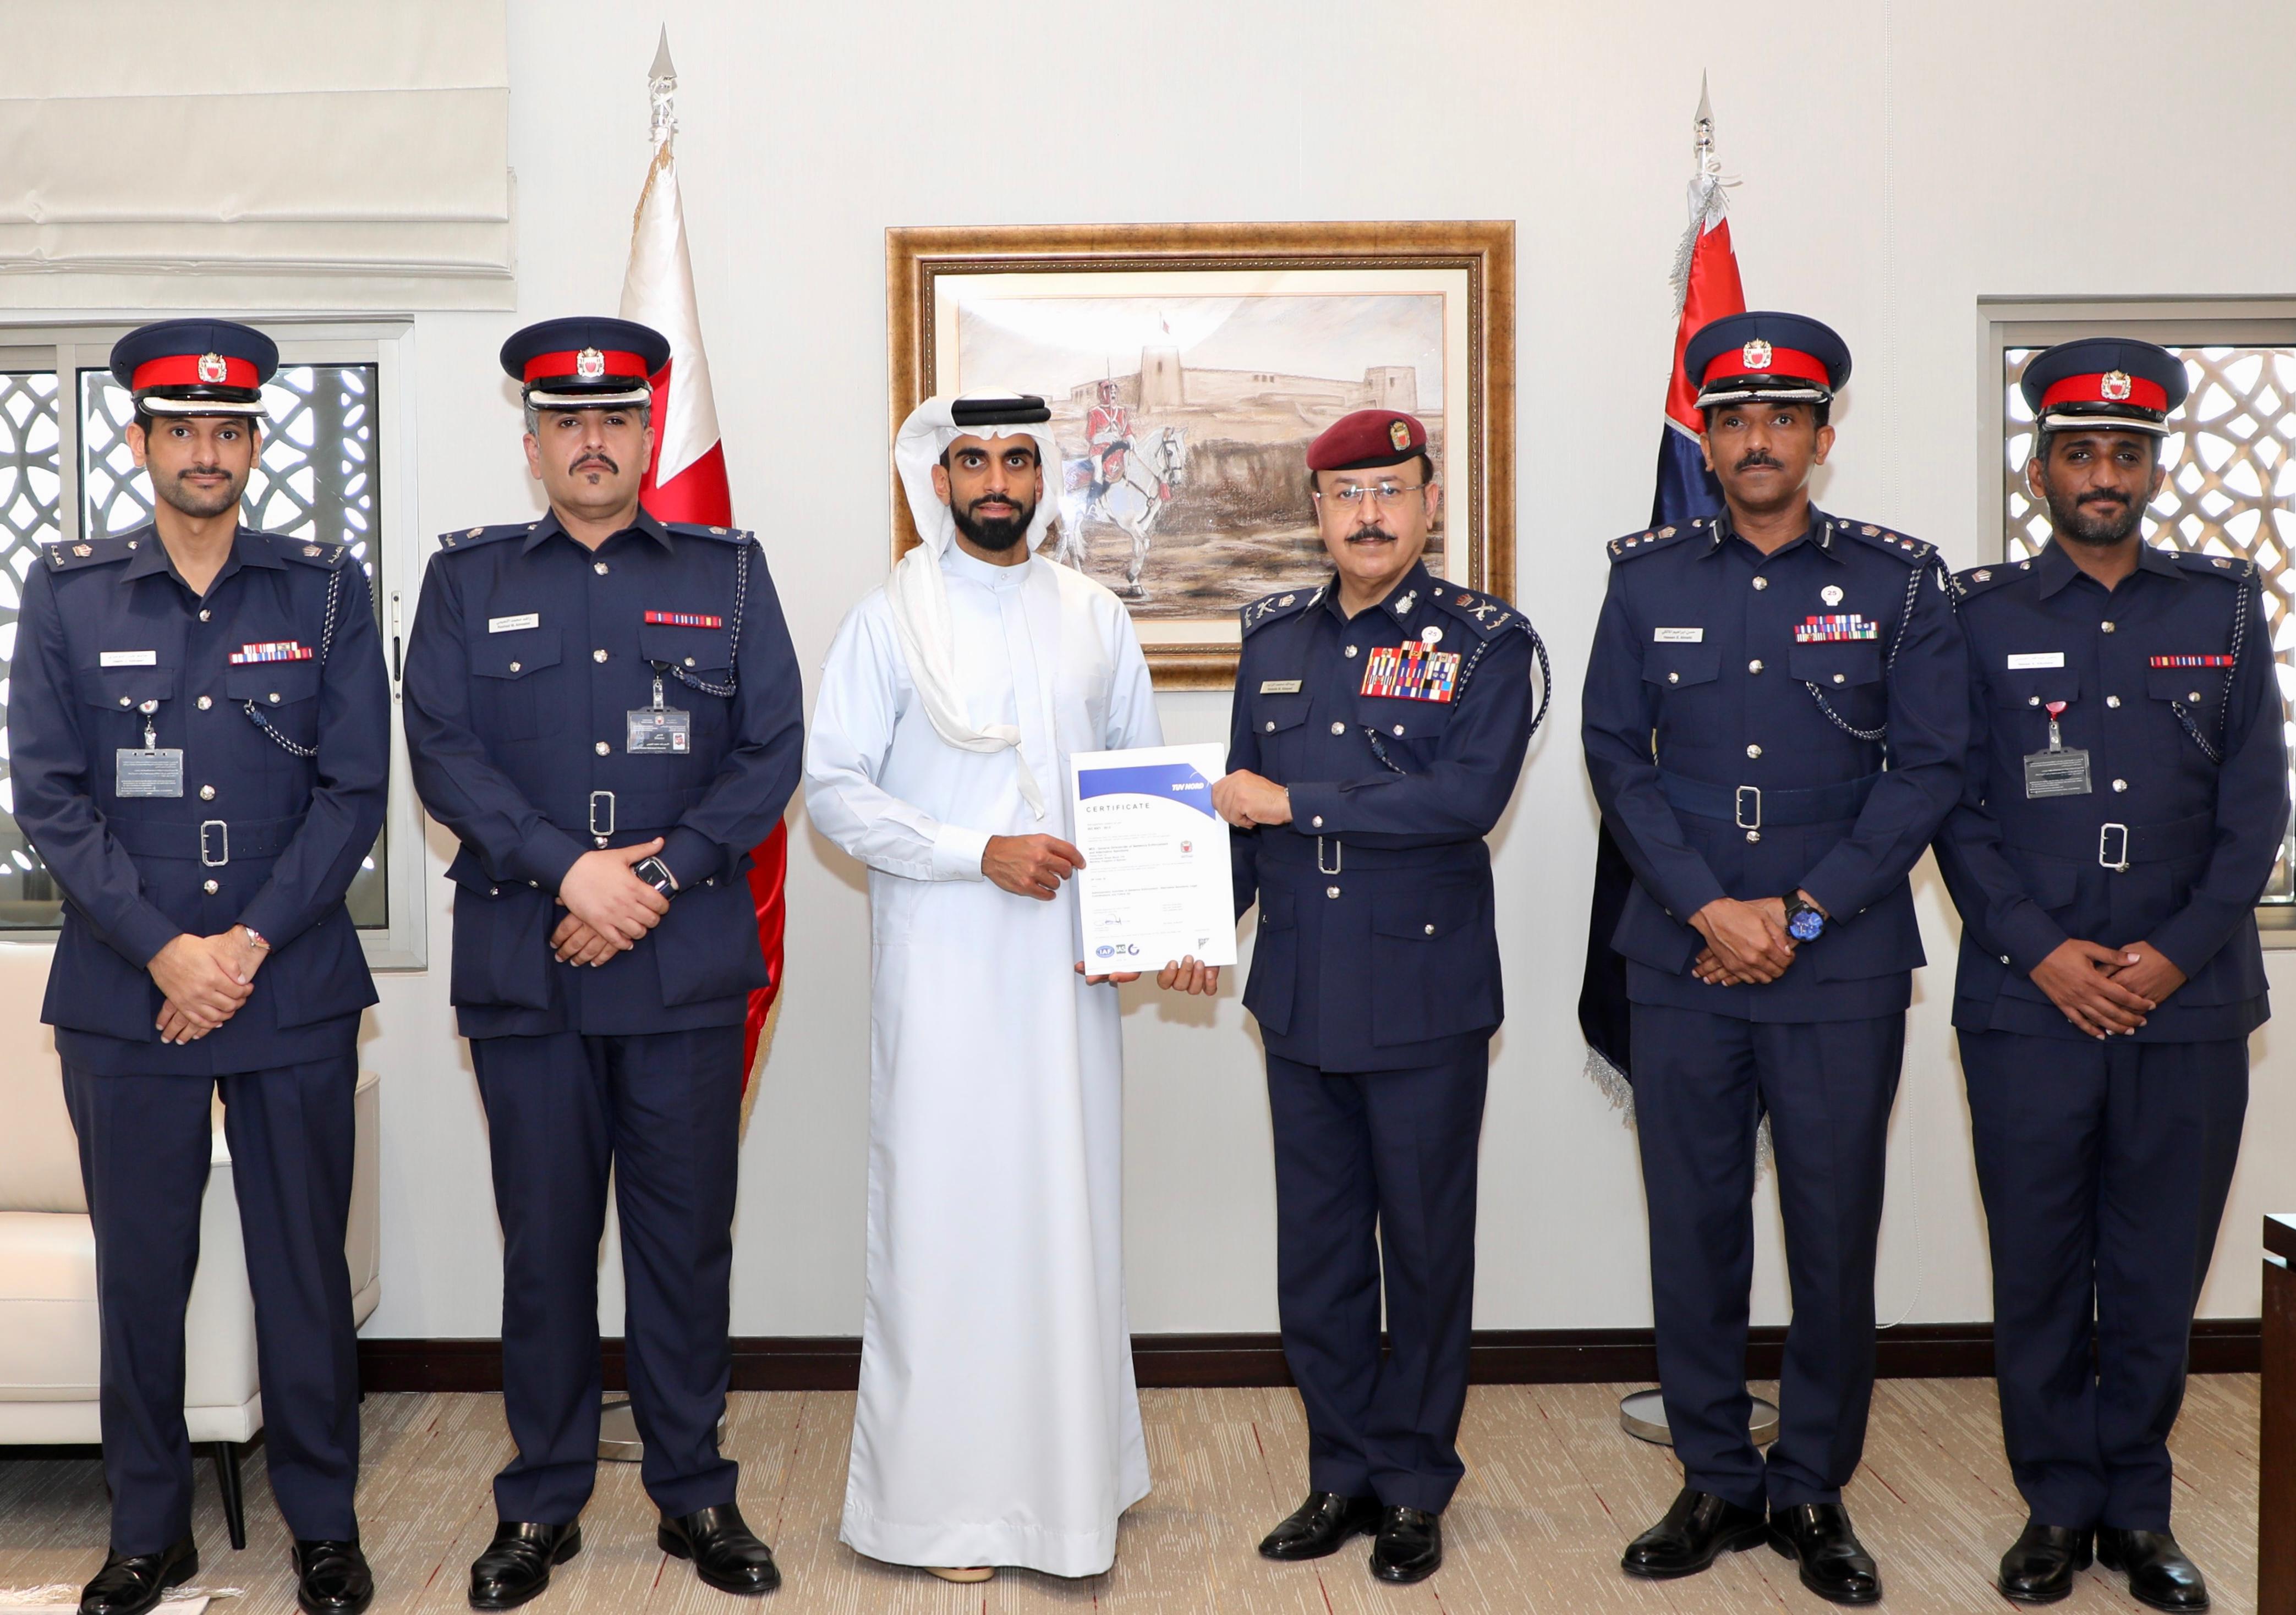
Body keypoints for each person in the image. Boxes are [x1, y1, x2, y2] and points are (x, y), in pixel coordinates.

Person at [401, 318, 803, 1608]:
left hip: (679, 963)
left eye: (616, 418)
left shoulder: (728, 572)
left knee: (684, 1245)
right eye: (566, 420)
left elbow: (772, 749)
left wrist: (655, 878)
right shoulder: (465, 578)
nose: (591, 439)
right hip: (529, 962)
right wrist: (568, 871)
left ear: (645, 436)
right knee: (545, 1246)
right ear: (531, 443)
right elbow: (441, 748)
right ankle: (542, 1501)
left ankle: (695, 1493)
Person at [1582, 312, 1967, 1606]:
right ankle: (1711, 1476)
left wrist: (1797, 915)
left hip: (1837, 959)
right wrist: (1708, 907)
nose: (1756, 439)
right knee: (1692, 1229)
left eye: (1782, 419)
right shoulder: (1646, 580)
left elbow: (1928, 767)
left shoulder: (1899, 582)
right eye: (1734, 420)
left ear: (1820, 436)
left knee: (1832, 1231)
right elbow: (1614, 755)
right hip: (1680, 955)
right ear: (1706, 439)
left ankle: (1810, 1484)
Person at [8, 319, 388, 1615]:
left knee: (304, 1272)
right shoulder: (69, 592)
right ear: (142, 441)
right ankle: (148, 1531)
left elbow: (353, 791)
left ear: (253, 446)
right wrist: (170, 950)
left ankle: (324, 1527)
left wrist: (245, 946)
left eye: (228, 431)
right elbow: (50, 798)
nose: (206, 452)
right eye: (183, 430)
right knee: (141, 1273)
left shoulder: (324, 588)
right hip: (129, 991)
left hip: (291, 981)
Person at [805, 392, 1216, 1584]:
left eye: (1018, 460)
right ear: (937, 480)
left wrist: (1170, 921)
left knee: (1063, 1215)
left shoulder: (1093, 616)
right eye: (973, 460)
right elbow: (833, 792)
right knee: (947, 1225)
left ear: (1045, 477)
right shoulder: (887, 621)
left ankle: (1074, 1489)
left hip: (1067, 976)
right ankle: (946, 1513)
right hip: (941, 972)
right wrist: (970, 851)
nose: (996, 481)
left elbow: (1135, 785)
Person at [1934, 338, 2284, 1612]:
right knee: (2037, 1261)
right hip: (2026, 1001)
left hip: (2186, 1003)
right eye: (2078, 452)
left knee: (2155, 1268)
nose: (2102, 474)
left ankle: (2136, 1507)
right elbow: (1951, 805)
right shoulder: (1975, 615)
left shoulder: (2223, 609)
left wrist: (2171, 956)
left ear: (2151, 469)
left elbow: (2255, 812)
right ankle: (2053, 1505)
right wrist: (2041, 950)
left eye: (2124, 454)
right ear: (2039, 472)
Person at [1214, 408, 1545, 1586]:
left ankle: (1412, 1484)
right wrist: (1189, 926)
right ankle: (1340, 1471)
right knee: (1316, 1259)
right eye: (1346, 494)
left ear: (1427, 502)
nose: (1368, 514)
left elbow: (1463, 800)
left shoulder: (1486, 642)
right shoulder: (1272, 637)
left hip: (1421, 995)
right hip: (1299, 990)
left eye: (1390, 490)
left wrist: (1295, 804)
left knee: (1423, 1250)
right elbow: (1240, 815)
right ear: (1316, 511)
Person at [1086, 378, 1132, 514]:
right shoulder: (1095, 412)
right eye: (1110, 392)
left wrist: (1131, 439)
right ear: (1103, 394)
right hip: (1100, 451)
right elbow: (1090, 436)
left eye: (1114, 392)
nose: (1113, 395)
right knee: (1099, 473)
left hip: (1118, 451)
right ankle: (1092, 504)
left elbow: (1127, 431)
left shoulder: (1122, 411)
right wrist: (1106, 437)